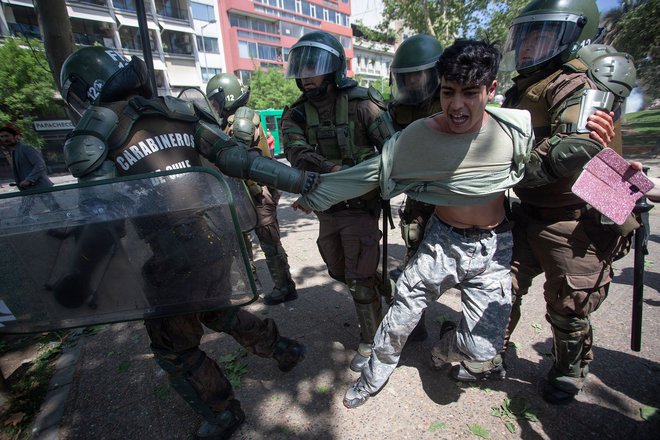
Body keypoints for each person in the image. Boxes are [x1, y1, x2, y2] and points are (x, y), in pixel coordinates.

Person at [59, 46, 318, 439]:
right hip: (215, 238)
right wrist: (303, 182)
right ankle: (281, 348)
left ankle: (222, 414)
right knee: (218, 311)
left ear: (81, 92)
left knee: (173, 349)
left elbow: (101, 222)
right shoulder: (173, 112)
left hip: (171, 258)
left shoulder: (96, 137)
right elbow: (236, 158)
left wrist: (78, 278)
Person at [294, 39, 533, 407]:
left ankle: (446, 349)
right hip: (442, 242)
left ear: (491, 90)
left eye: (470, 93)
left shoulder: (516, 130)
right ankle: (372, 378)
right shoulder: (418, 135)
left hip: (493, 249)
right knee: (399, 319)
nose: (457, 105)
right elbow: (369, 173)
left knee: (480, 348)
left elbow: (553, 167)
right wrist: (314, 196)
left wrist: (624, 188)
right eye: (449, 92)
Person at [499, 0, 638, 404]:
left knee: (568, 307)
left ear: (572, 34)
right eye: (524, 36)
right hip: (526, 211)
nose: (527, 46)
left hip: (573, 219)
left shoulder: (576, 83)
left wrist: (501, 172)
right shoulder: (523, 87)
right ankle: (490, 347)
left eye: (540, 35)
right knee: (499, 286)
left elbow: (568, 152)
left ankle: (569, 368)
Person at [280, 31, 394, 372]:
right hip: (327, 208)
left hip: (360, 207)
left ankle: (372, 341)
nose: (306, 75)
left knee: (358, 277)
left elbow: (391, 148)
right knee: (338, 268)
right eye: (300, 68)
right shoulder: (297, 113)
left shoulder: (362, 103)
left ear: (332, 69)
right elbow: (295, 152)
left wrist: (363, 177)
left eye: (313, 67)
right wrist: (332, 168)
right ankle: (383, 289)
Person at [206, 73, 297, 305]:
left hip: (255, 192)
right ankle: (253, 286)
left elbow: (239, 160)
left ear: (228, 97)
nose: (214, 106)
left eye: (216, 100)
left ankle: (284, 287)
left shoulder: (241, 122)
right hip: (242, 193)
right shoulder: (227, 122)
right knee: (243, 243)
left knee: (268, 241)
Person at [385, 34, 445, 342]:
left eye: (418, 75)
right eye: (405, 77)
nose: (412, 82)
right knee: (413, 262)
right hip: (418, 198)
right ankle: (414, 323)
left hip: (456, 200)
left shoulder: (453, 98)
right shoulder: (397, 107)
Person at [0, 126, 60, 216]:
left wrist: (29, 180)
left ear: (15, 136)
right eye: (2, 137)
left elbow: (40, 164)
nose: (4, 139)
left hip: (39, 186)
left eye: (7, 136)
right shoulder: (14, 151)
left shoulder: (25, 148)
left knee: (55, 209)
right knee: (23, 212)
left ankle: (69, 225)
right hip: (28, 189)